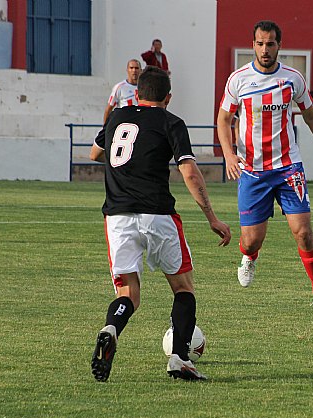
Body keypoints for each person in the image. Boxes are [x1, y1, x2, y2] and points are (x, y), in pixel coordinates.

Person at [89, 66, 232, 382]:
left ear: (137, 93)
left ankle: (111, 327)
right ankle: (180, 359)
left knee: (128, 293)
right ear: (168, 96)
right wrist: (212, 217)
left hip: (117, 217)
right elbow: (190, 173)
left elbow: (96, 152)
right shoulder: (172, 123)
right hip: (158, 215)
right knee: (183, 287)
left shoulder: (116, 118)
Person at [216, 20, 313, 316]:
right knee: (251, 240)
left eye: (270, 44)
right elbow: (224, 120)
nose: (265, 49)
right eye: (259, 43)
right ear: (253, 45)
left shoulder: (293, 79)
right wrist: (229, 154)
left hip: (288, 167)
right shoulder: (238, 80)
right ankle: (249, 257)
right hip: (252, 170)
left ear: (279, 46)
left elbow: (311, 117)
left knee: (304, 233)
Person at [103, 59, 142, 123]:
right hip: (125, 123)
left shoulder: (144, 87)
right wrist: (105, 129)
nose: (134, 70)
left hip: (140, 123)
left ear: (140, 70)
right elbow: (108, 109)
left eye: (136, 68)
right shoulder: (119, 87)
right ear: (127, 70)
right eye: (131, 68)